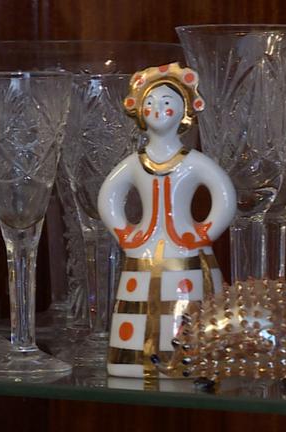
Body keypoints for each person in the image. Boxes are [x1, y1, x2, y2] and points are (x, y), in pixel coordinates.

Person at [98, 63, 236, 379]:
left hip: (187, 249)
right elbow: (109, 196)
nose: (158, 109)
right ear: (139, 112)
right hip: (143, 249)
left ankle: (193, 360)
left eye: (167, 102)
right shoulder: (135, 163)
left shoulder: (194, 162)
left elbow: (224, 195)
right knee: (137, 304)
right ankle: (132, 360)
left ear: (184, 111)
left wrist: (204, 233)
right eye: (150, 102)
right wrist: (124, 234)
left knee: (191, 305)